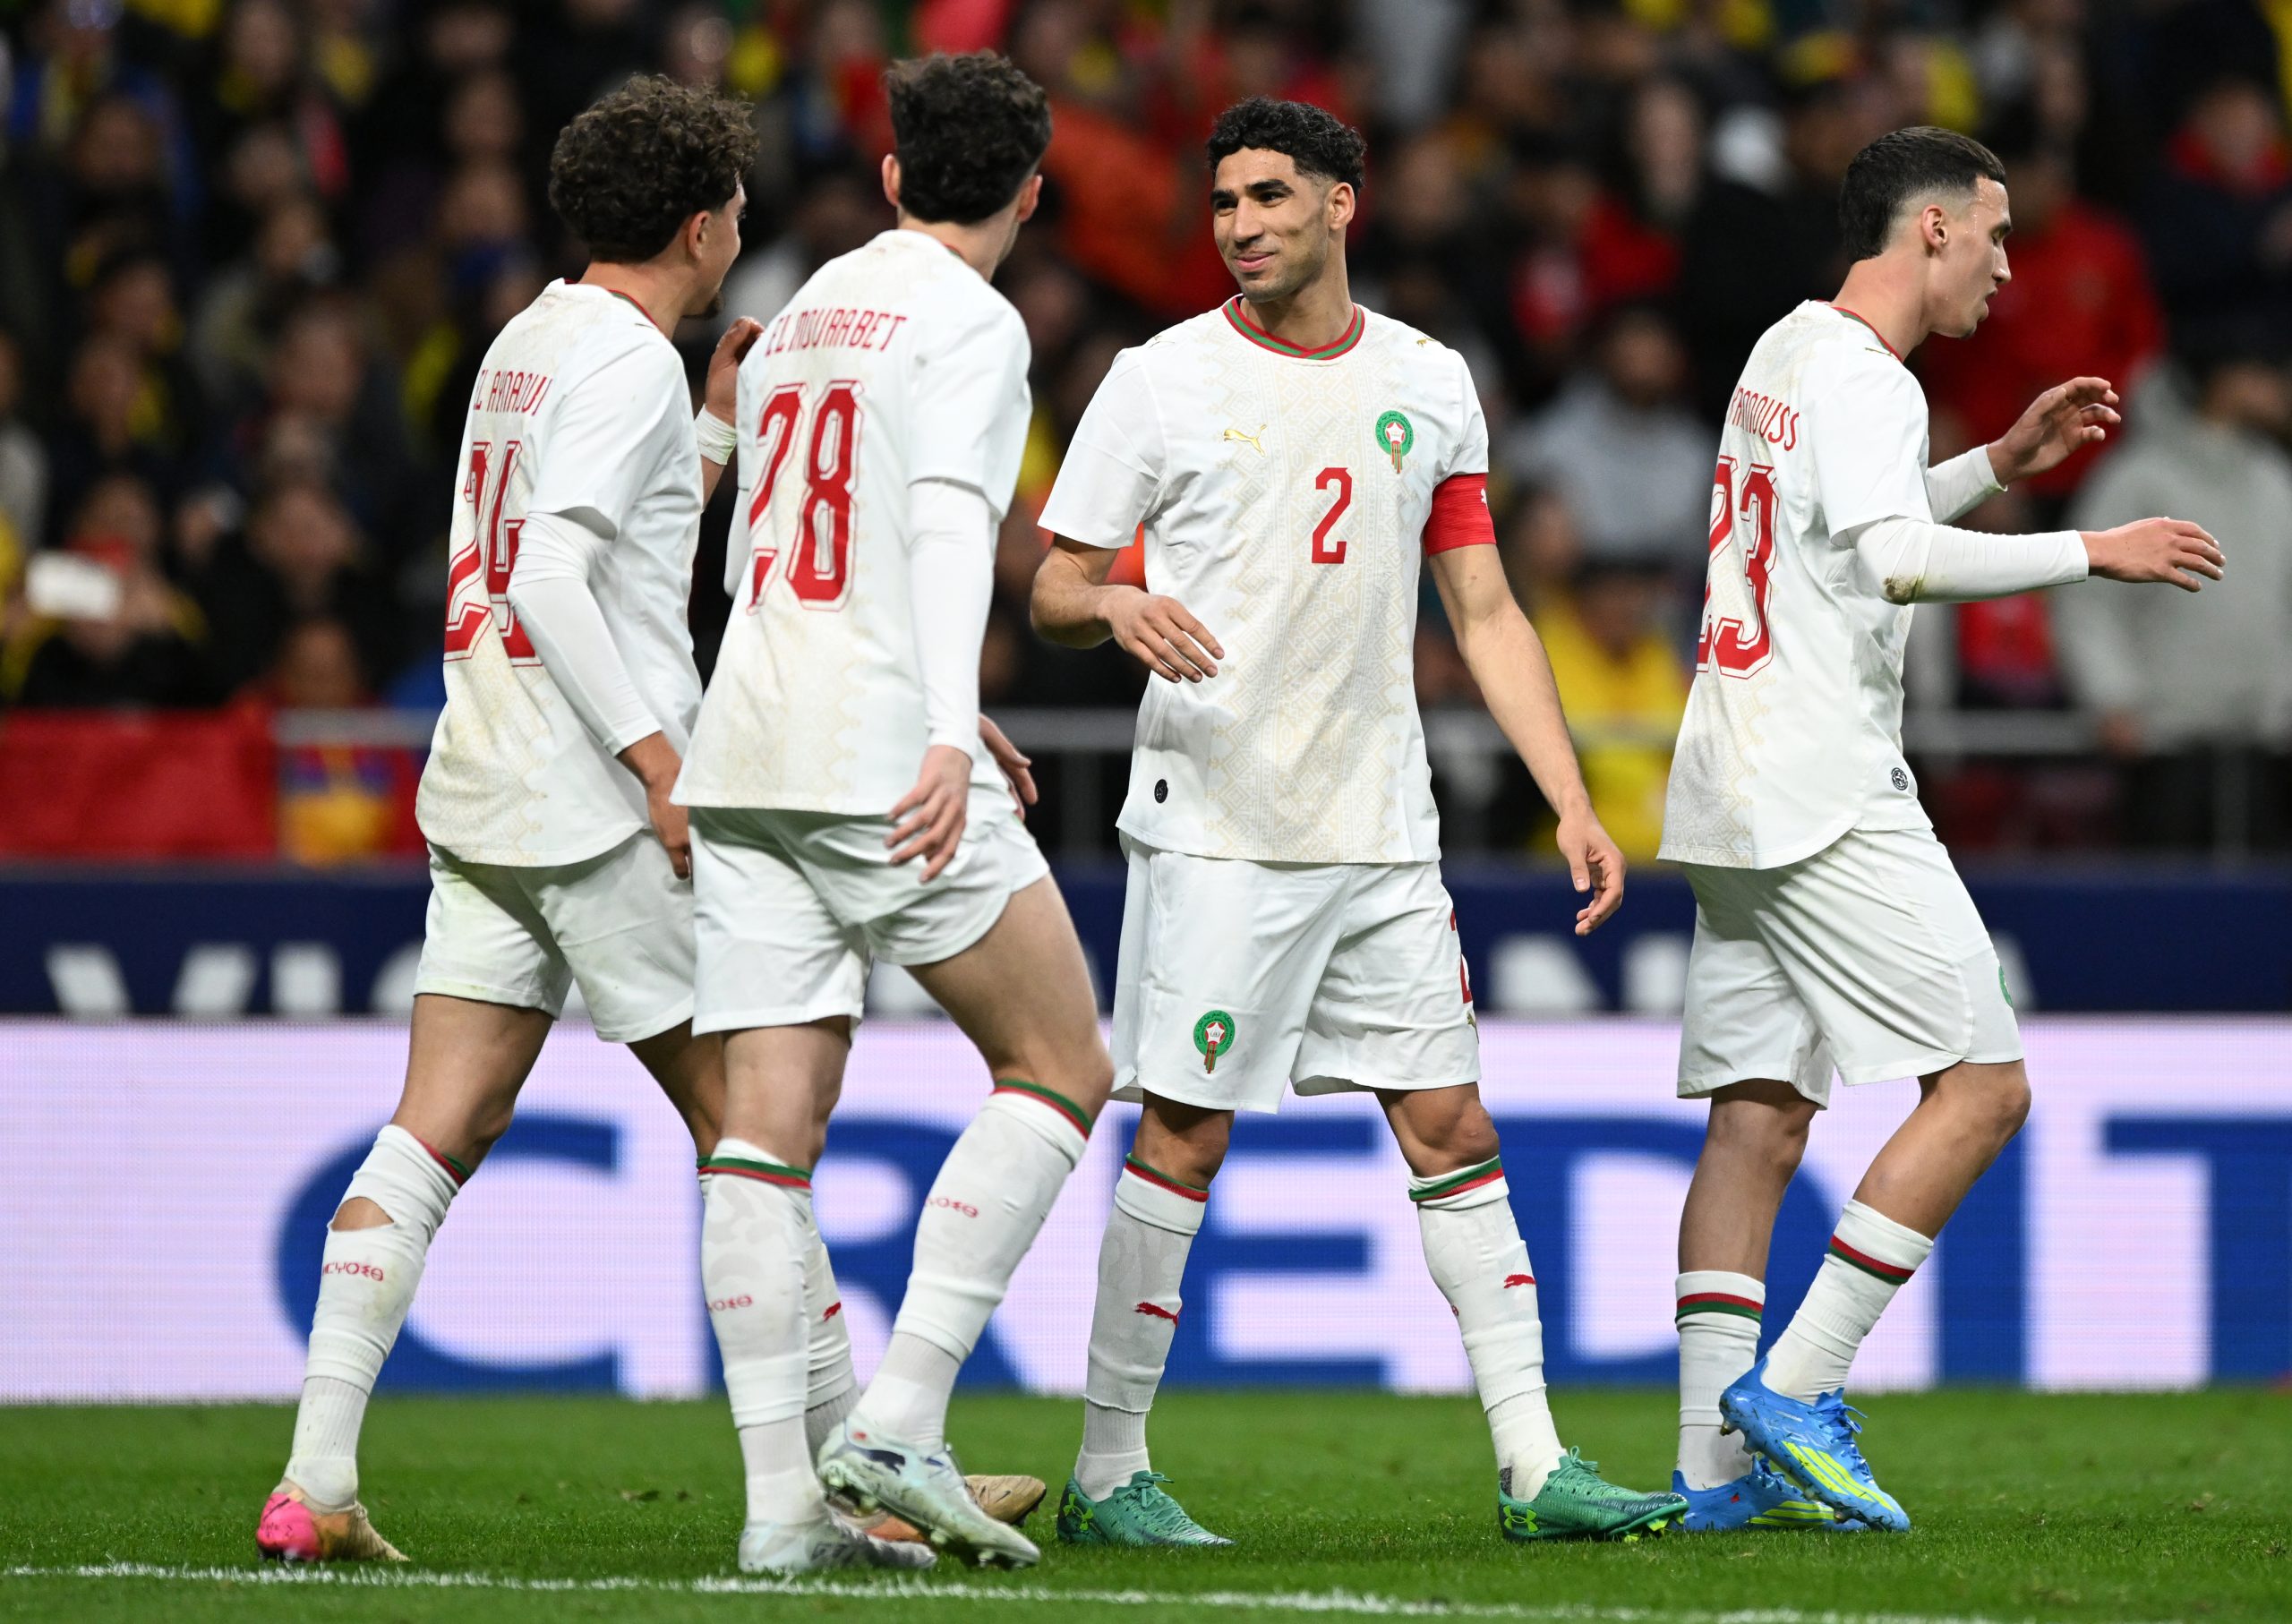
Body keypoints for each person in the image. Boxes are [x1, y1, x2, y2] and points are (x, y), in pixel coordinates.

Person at [252, 75, 1036, 1572]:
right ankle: (847, 1477)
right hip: (595, 802)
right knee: (757, 1130)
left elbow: (597, 541)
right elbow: (555, 578)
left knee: (442, 1126)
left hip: (482, 783)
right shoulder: (619, 360)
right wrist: (663, 765)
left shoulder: (534, 343)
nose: (745, 225)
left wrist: (720, 436)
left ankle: (317, 1473)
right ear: (701, 224)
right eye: (736, 207)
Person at [1030, 96, 1687, 1549]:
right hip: (1216, 818)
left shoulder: (1432, 380)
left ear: (1345, 202)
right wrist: (1114, 599)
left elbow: (1485, 602)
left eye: (1270, 195)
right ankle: (1105, 1468)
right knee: (1184, 1139)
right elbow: (1053, 586)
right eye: (1223, 203)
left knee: (1453, 1123)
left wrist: (1571, 794)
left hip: (1384, 827)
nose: (1242, 223)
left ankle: (1534, 1466)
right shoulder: (1158, 378)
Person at [1660, 126, 2225, 1534]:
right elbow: (1892, 558)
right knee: (1983, 1087)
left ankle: (1710, 1476)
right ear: (1928, 231)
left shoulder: (1787, 353)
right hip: (1823, 782)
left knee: (1759, 1119)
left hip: (1728, 775)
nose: (2007, 262)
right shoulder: (1867, 379)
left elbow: (1850, 525)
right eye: (1995, 232)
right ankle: (1798, 1384)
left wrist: (1998, 463)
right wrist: (2091, 545)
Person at [671, 52, 1112, 1574]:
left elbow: (761, 548)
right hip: (876, 753)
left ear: (891, 178)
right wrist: (943, 722)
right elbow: (939, 531)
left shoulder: (800, 312)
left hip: (750, 744)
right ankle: (903, 1419)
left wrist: (911, 692)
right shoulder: (976, 324)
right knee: (1061, 1061)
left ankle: (780, 1514)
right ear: (1033, 194)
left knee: (763, 1136)